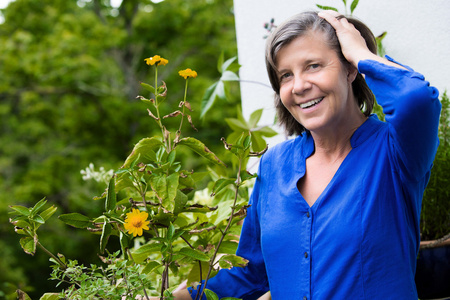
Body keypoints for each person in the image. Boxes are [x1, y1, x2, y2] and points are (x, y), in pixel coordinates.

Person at [166, 10, 442, 300]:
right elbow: (253, 274)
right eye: (286, 75)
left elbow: (416, 99)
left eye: (313, 66)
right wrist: (171, 297)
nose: (298, 86)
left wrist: (360, 52)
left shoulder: (394, 153)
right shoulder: (273, 165)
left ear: (349, 70)